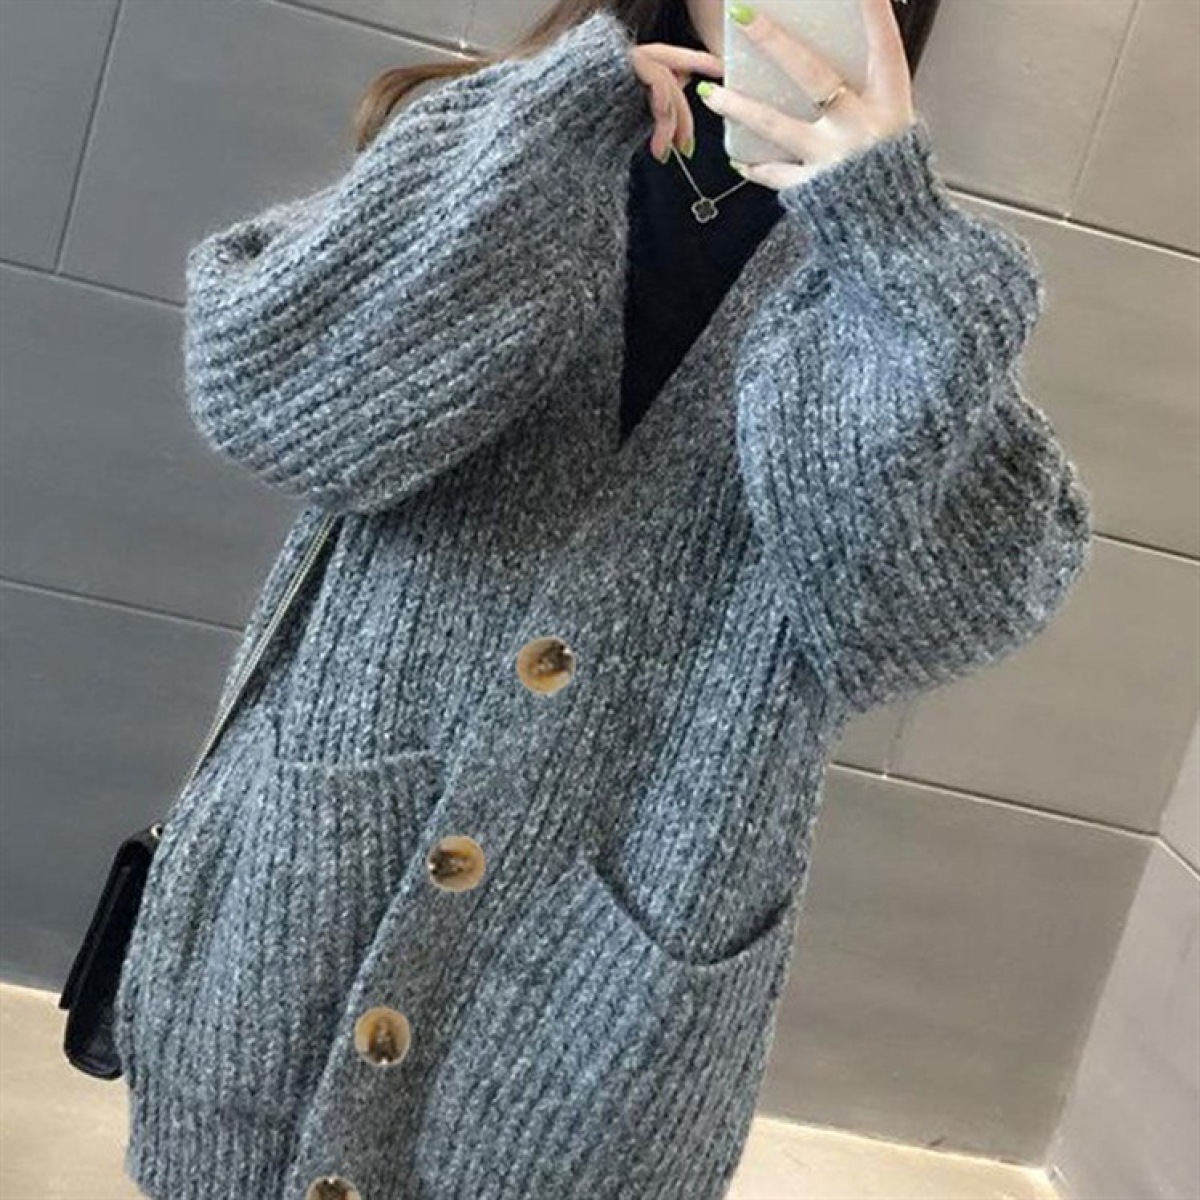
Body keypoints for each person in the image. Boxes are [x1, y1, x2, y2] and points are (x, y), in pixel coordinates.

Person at [112, 2, 1094, 1198]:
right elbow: (269, 394)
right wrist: (542, 129)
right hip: (303, 905)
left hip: (594, 1019)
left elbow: (927, 616)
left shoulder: (905, 287)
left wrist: (890, 238)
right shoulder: (498, 124)